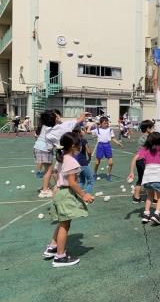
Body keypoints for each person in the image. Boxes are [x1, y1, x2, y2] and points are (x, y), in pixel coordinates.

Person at [42, 132, 94, 267]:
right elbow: (72, 182)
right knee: (65, 225)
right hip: (66, 194)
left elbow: (55, 173)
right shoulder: (71, 161)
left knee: (62, 222)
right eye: (79, 144)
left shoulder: (61, 158)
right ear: (73, 146)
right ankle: (60, 257)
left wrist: (57, 186)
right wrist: (84, 194)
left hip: (60, 192)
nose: (81, 147)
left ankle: (53, 247)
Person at [128, 132, 160, 224]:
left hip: (147, 178)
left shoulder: (144, 149)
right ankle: (156, 214)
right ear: (159, 141)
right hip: (157, 176)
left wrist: (131, 172)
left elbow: (135, 158)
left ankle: (146, 214)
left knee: (149, 196)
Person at [89, 116, 123, 182]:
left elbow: (113, 138)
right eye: (105, 123)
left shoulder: (110, 129)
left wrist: (118, 143)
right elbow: (88, 131)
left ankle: (108, 175)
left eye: (107, 123)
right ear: (101, 123)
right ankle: (95, 174)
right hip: (100, 146)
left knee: (111, 163)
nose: (106, 124)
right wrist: (90, 125)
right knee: (97, 163)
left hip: (107, 146)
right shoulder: (97, 129)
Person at [130, 119, 154, 203]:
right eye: (152, 127)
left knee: (140, 179)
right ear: (148, 129)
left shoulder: (141, 138)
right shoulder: (149, 138)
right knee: (151, 179)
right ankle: (154, 198)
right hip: (145, 161)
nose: (153, 129)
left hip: (138, 161)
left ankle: (136, 198)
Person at [35, 111, 55, 197]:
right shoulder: (51, 128)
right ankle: (44, 191)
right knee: (49, 170)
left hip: (37, 147)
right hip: (44, 149)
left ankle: (45, 186)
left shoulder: (43, 126)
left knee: (47, 169)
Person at [72, 126, 95, 194]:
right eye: (82, 130)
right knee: (91, 181)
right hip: (83, 163)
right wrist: (90, 158)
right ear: (79, 133)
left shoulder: (72, 141)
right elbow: (89, 152)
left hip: (75, 164)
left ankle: (75, 194)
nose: (83, 131)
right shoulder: (83, 140)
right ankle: (86, 195)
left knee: (82, 181)